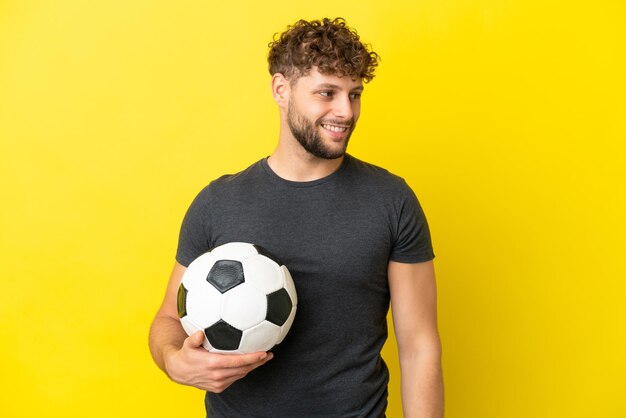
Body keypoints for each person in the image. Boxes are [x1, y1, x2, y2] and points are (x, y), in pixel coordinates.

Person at [149, 17, 443, 418]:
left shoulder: (391, 201)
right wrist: (172, 359)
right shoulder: (218, 202)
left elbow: (419, 345)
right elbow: (168, 318)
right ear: (281, 90)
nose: (346, 111)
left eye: (354, 95)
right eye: (327, 93)